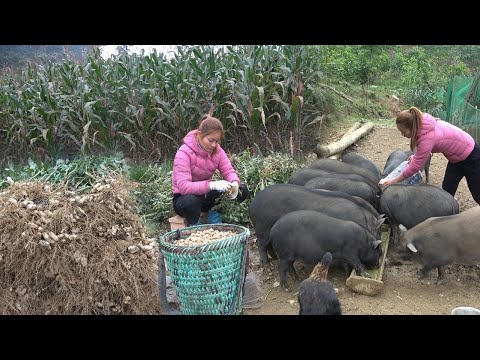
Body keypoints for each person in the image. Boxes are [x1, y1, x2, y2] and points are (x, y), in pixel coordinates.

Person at [380, 106, 480, 205]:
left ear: (413, 127)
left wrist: (394, 180)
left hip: (471, 155)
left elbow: (415, 167)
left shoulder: (426, 138)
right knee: (447, 190)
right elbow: (425, 150)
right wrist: (416, 156)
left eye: (404, 131)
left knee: (477, 193)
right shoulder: (422, 122)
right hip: (456, 157)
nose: (402, 134)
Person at [171, 114, 250, 226]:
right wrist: (211, 185)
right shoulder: (184, 153)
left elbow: (228, 170)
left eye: (217, 141)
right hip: (184, 199)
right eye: (210, 140)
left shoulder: (218, 151)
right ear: (199, 135)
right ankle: (196, 227)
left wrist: (234, 183)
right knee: (191, 202)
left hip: (205, 196)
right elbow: (184, 187)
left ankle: (215, 217)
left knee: (242, 191)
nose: (214, 145)